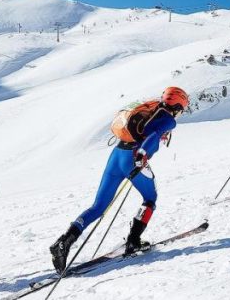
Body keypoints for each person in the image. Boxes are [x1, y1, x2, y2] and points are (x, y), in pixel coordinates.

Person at [49, 87, 189, 273]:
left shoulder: (152, 107)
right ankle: (133, 241)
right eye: (182, 108)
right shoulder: (167, 119)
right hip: (133, 158)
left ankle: (63, 242)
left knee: (98, 206)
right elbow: (154, 135)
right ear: (178, 105)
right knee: (150, 198)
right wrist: (142, 154)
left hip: (116, 155)